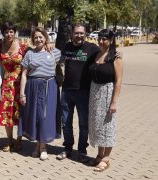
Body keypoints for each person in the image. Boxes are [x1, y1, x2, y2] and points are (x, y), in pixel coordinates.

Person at [56, 23, 101, 162]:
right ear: (72, 34)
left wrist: (117, 53)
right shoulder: (66, 47)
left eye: (82, 33)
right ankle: (68, 148)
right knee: (66, 123)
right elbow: (58, 61)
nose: (79, 35)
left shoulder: (93, 49)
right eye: (76, 33)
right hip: (67, 91)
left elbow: (106, 55)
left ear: (85, 34)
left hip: (84, 92)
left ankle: (82, 151)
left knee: (83, 124)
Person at [19, 27, 61, 160]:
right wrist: (22, 94)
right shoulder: (29, 54)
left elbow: (68, 61)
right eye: (35, 37)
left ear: (45, 38)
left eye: (40, 36)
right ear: (33, 39)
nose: (38, 39)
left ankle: (42, 147)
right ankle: (38, 146)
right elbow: (24, 74)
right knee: (35, 116)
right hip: (33, 87)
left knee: (45, 117)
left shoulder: (54, 52)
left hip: (50, 87)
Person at [88, 29, 123, 172]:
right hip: (94, 92)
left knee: (108, 126)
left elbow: (119, 80)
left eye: (105, 39)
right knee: (97, 124)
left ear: (111, 40)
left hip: (107, 93)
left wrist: (114, 101)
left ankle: (106, 158)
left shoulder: (116, 57)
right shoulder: (96, 54)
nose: (101, 42)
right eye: (100, 39)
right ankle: (99, 154)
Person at [0, 22, 25, 152]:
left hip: (20, 84)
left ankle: (19, 141)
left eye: (11, 31)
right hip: (6, 84)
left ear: (15, 32)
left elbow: (37, 51)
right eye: (6, 32)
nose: (8, 34)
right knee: (6, 113)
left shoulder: (23, 46)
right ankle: (9, 140)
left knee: (18, 113)